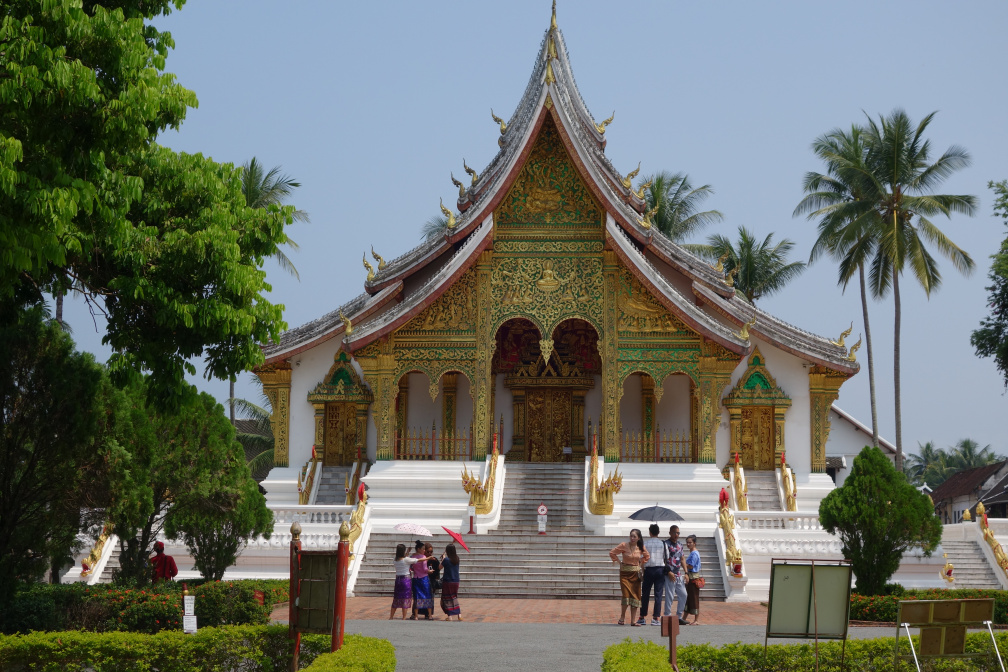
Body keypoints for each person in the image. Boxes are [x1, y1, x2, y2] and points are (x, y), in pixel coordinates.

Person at [609, 528, 650, 626]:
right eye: (631, 536)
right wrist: (619, 562)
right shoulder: (624, 545)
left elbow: (647, 556)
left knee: (635, 596)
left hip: (635, 574)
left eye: (634, 536)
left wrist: (640, 563)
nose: (632, 538)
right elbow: (612, 552)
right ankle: (622, 617)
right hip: (625, 574)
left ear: (638, 538)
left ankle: (633, 620)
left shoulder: (641, 547)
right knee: (626, 595)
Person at [390, 543, 431, 620]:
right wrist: (427, 558)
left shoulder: (395, 559)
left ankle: (391, 616)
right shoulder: (406, 560)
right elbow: (418, 560)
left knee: (396, 598)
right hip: (406, 580)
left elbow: (404, 557)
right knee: (405, 598)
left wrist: (408, 552)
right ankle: (404, 617)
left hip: (398, 580)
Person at [639, 523, 666, 626]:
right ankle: (656, 617)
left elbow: (642, 559)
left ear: (650, 532)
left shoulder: (645, 543)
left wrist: (642, 571)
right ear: (658, 532)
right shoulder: (663, 544)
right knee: (658, 594)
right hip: (660, 569)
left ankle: (642, 616)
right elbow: (666, 557)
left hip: (649, 569)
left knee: (645, 594)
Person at [663, 525, 688, 626]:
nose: (676, 535)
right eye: (674, 533)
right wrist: (668, 571)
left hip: (678, 574)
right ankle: (667, 615)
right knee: (670, 596)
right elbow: (663, 559)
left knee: (683, 594)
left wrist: (686, 572)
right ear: (670, 533)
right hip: (669, 574)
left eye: (678, 533)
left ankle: (679, 616)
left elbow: (682, 559)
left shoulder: (680, 545)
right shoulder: (665, 544)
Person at [410, 540, 435, 620]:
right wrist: (429, 571)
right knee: (427, 596)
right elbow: (425, 569)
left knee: (417, 597)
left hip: (416, 578)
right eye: (423, 549)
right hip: (424, 579)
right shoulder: (423, 557)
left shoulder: (412, 556)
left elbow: (411, 568)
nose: (424, 550)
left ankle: (416, 616)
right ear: (418, 549)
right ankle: (430, 615)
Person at [440, 543, 463, 621]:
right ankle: (459, 614)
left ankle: (450, 616)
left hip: (448, 581)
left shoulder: (446, 560)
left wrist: (443, 559)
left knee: (447, 598)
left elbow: (439, 567)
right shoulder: (457, 559)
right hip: (456, 581)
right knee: (454, 597)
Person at [684, 534, 702, 625]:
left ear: (694, 543)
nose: (688, 544)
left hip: (693, 578)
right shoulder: (692, 553)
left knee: (694, 598)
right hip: (691, 577)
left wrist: (683, 564)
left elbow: (691, 566)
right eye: (687, 542)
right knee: (688, 598)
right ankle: (684, 618)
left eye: (690, 542)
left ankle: (696, 620)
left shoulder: (694, 553)